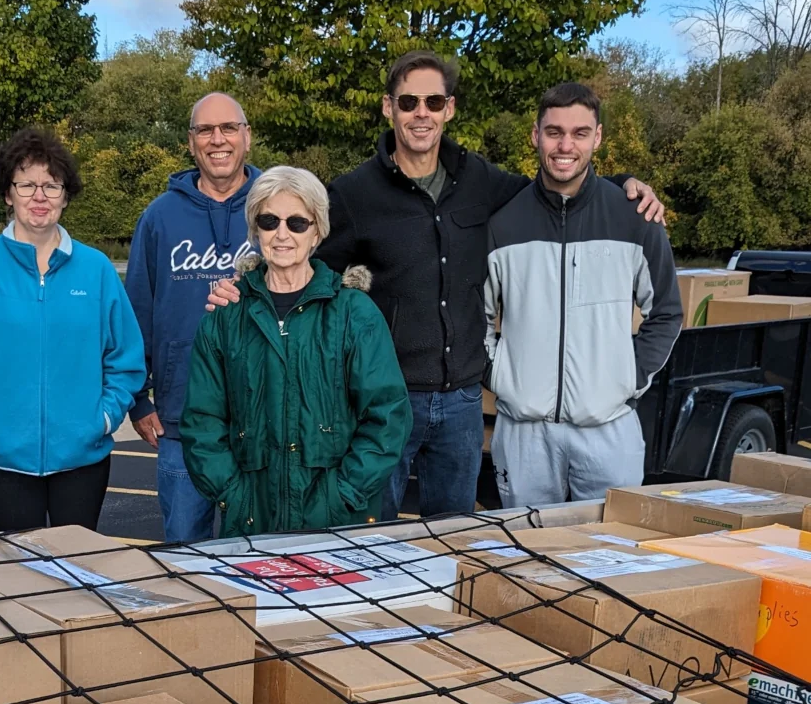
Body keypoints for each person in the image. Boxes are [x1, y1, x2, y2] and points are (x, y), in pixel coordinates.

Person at [207, 51, 665, 520]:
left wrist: (622, 186)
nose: (420, 113)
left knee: (452, 542)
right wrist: (243, 289)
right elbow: (299, 258)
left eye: (432, 101)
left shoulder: (479, 178)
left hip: (462, 404)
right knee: (373, 539)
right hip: (383, 402)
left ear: (449, 108)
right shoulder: (354, 193)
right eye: (408, 102)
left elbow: (555, 188)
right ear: (389, 107)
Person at [181, 166, 411, 536]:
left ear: (317, 230)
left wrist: (343, 495)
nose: (282, 234)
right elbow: (202, 422)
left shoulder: (354, 314)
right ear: (255, 230)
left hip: (337, 524)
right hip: (251, 524)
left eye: (297, 223)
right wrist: (233, 496)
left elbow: (387, 417)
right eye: (269, 221)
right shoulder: (226, 317)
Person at [484, 83, 682, 506]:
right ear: (536, 135)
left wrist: (626, 381)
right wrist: (500, 374)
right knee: (528, 560)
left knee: (611, 561)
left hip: (609, 431)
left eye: (579, 133)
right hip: (524, 435)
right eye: (554, 132)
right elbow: (473, 317)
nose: (565, 145)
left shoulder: (636, 218)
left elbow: (665, 312)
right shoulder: (502, 222)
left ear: (598, 137)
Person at [0, 129, 145, 532]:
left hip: (82, 459)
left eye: (51, 186)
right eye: (27, 184)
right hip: (3, 458)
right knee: (19, 574)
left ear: (65, 196)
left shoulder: (97, 270)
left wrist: (103, 419)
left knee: (76, 571)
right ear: (8, 193)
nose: (39, 197)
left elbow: (125, 357)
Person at [126, 92, 261, 542]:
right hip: (182, 423)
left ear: (247, 137)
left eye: (228, 128)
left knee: (263, 555)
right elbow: (135, 315)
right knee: (187, 560)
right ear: (191, 142)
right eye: (205, 130)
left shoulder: (275, 210)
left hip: (263, 418)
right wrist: (138, 400)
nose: (217, 139)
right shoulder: (160, 217)